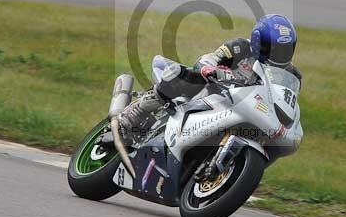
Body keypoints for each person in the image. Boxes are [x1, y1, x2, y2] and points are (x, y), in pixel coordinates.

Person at [118, 14, 301, 141]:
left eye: (285, 49)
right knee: (188, 76)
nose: (279, 55)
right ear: (257, 41)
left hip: (249, 110)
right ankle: (139, 110)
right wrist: (210, 69)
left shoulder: (291, 75)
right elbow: (209, 58)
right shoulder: (239, 47)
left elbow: (286, 103)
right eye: (274, 48)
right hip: (213, 93)